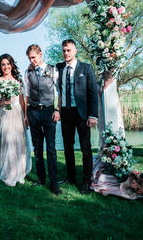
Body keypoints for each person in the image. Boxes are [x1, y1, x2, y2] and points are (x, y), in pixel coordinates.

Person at [56, 39, 98, 194]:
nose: (66, 53)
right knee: (67, 147)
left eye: (69, 50)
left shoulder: (86, 68)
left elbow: (93, 93)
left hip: (82, 114)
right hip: (66, 113)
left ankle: (87, 180)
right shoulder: (59, 68)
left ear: (75, 51)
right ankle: (71, 176)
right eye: (64, 50)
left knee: (85, 148)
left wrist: (93, 115)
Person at [24, 44, 61, 195]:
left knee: (51, 149)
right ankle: (41, 179)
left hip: (49, 112)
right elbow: (26, 94)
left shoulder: (53, 70)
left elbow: (59, 92)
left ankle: (54, 183)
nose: (32, 61)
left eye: (33, 57)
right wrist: (26, 115)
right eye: (29, 58)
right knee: (37, 148)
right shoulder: (28, 72)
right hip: (33, 113)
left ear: (40, 54)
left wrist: (58, 110)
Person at [0, 54, 32, 186]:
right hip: (5, 114)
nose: (6, 67)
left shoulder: (18, 81)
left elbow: (22, 100)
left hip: (17, 113)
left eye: (8, 64)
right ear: (0, 67)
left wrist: (25, 116)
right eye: (3, 64)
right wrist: (3, 102)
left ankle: (18, 171)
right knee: (6, 142)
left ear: (12, 65)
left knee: (18, 142)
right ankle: (7, 172)